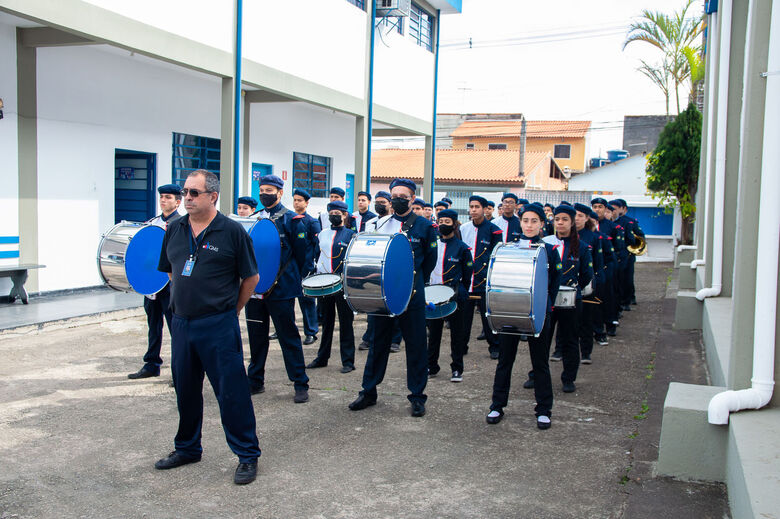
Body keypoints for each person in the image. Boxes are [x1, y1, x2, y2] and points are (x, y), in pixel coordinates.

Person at [155, 169, 261, 485]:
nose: (186, 197)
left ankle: (247, 455)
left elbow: (251, 278)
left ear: (212, 196)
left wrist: (231, 310)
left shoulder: (231, 232)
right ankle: (187, 448)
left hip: (218, 326)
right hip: (183, 325)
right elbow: (172, 272)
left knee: (231, 393)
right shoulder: (174, 230)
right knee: (186, 391)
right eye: (185, 192)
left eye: (193, 193)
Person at [349, 178, 437, 417]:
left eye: (403, 196)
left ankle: (417, 396)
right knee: (378, 344)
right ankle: (368, 391)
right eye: (394, 195)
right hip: (383, 294)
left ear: (412, 199)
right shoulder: (378, 224)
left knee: (417, 345)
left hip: (412, 294)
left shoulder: (424, 226)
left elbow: (430, 260)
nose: (397, 199)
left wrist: (414, 280)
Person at [486, 202, 561, 429]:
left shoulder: (549, 250)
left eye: (534, 221)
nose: (529, 225)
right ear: (521, 222)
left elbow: (554, 283)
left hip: (538, 314)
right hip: (511, 311)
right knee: (504, 361)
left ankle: (544, 409)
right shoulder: (508, 247)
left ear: (542, 224)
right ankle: (497, 405)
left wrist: (543, 308)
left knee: (540, 363)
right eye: (526, 220)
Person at [245, 175, 311, 403]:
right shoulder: (255, 220)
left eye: (269, 190)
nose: (264, 194)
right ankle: (255, 380)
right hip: (254, 290)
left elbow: (301, 255)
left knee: (288, 335)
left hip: (280, 289)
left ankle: (300, 383)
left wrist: (293, 280)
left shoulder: (292, 220)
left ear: (280, 193)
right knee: (256, 336)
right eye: (261, 189)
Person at [128, 184, 182, 380]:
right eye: (161, 197)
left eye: (168, 197)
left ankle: (180, 371)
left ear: (178, 202)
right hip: (152, 284)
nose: (163, 200)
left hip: (170, 284)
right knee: (153, 325)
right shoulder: (152, 223)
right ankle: (151, 364)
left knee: (176, 329)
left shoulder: (183, 224)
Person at [542, 205, 593, 393]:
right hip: (548, 298)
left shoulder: (582, 247)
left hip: (570, 300)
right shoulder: (545, 243)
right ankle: (537, 374)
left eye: (564, 219)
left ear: (572, 222)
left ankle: (568, 378)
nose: (560, 223)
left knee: (571, 339)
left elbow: (587, 275)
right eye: (557, 219)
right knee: (543, 338)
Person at [307, 200, 356, 373]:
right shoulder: (322, 234)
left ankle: (348, 361)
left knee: (346, 322)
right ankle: (322, 358)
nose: (334, 215)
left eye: (338, 213)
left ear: (344, 215)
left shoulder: (351, 235)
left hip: (342, 284)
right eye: (331, 212)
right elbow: (317, 256)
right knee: (326, 322)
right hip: (325, 284)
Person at [427, 209, 473, 382]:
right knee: (434, 333)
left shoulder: (462, 248)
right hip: (433, 296)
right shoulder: (432, 245)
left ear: (454, 224)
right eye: (441, 221)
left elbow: (468, 274)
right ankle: (431, 365)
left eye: (447, 222)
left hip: (455, 296)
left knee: (457, 334)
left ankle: (457, 369)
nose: (443, 225)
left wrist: (460, 291)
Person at [358, 191, 404, 353]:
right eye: (377, 202)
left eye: (383, 202)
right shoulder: (370, 222)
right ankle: (370, 337)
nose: (379, 205)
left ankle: (395, 339)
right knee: (374, 303)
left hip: (392, 266)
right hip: (374, 265)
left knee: (393, 303)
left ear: (390, 204)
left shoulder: (395, 223)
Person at [460, 195, 503, 359]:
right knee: (464, 318)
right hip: (467, 279)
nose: (473, 210)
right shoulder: (464, 228)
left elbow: (495, 256)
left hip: (485, 280)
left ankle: (495, 346)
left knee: (488, 316)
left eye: (477, 207)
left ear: (485, 209)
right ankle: (461, 346)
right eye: (471, 207)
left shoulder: (494, 230)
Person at [573, 203, 604, 364]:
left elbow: (598, 264)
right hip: (567, 284)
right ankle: (559, 350)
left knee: (586, 320)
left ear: (586, 218)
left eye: (580, 216)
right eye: (574, 215)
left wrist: (597, 283)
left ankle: (586, 352)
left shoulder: (594, 237)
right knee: (567, 323)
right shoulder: (563, 236)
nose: (576, 219)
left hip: (586, 284)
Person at [292, 188, 321, 345]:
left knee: (307, 301)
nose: (296, 203)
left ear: (307, 203)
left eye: (299, 200)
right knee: (287, 300)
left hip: (306, 267)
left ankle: (311, 332)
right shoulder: (290, 219)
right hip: (291, 268)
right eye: (295, 200)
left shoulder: (311, 222)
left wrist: (314, 266)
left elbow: (317, 246)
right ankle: (285, 328)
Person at [591, 198, 622, 337]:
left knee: (609, 296)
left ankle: (610, 323)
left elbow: (618, 249)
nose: (597, 209)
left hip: (607, 265)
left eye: (600, 207)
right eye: (595, 207)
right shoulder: (587, 226)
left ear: (605, 209)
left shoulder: (612, 227)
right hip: (591, 267)